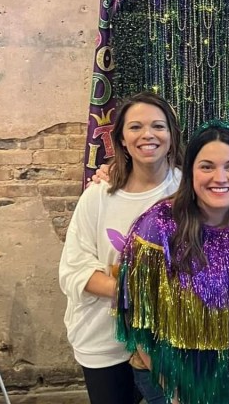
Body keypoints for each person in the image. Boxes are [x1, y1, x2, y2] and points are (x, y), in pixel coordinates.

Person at [116, 121, 229, 404]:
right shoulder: (157, 226)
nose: (220, 177)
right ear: (190, 172)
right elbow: (138, 322)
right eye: (207, 166)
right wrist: (173, 390)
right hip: (174, 377)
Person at [59, 92, 183, 404]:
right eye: (135, 127)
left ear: (172, 135)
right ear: (122, 140)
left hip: (168, 340)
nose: (147, 135)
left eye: (158, 126)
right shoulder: (99, 195)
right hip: (104, 338)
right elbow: (74, 271)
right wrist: (134, 291)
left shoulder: (187, 192)